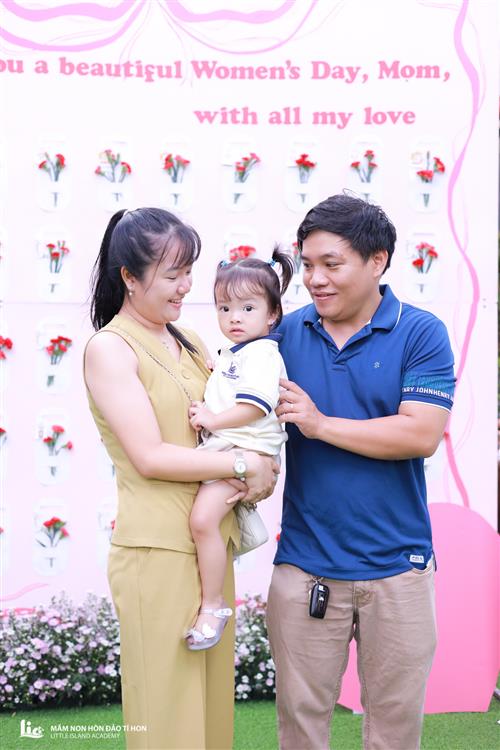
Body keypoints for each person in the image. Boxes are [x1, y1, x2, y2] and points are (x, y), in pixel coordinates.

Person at [83, 207, 278, 750]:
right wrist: (243, 465)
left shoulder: (191, 340)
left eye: (189, 272)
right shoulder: (110, 348)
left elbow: (236, 423)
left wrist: (264, 460)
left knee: (211, 720)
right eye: (173, 274)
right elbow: (150, 457)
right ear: (129, 276)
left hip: (210, 546)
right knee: (167, 721)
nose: (186, 286)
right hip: (156, 554)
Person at [266, 194, 455, 750]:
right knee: (300, 727)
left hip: (399, 569)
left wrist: (320, 424)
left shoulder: (421, 332)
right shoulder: (283, 335)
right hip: (305, 566)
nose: (314, 279)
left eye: (331, 264)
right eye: (307, 265)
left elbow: (420, 434)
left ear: (378, 261)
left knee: (394, 731)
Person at [186, 247, 293, 650]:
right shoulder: (240, 353)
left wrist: (212, 419)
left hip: (243, 449)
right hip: (234, 448)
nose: (234, 317)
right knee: (204, 520)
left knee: (202, 521)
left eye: (248, 308)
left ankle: (213, 605)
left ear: (272, 315)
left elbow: (254, 407)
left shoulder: (262, 354)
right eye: (225, 308)